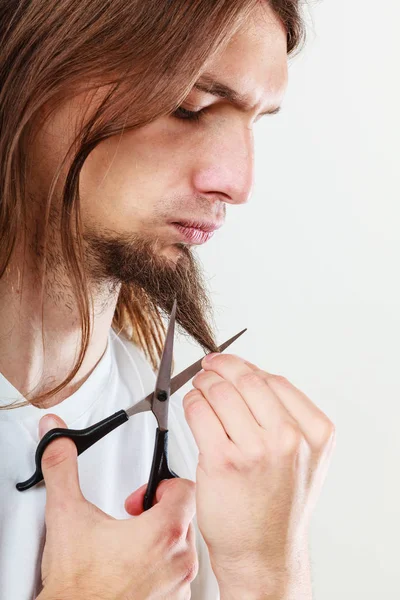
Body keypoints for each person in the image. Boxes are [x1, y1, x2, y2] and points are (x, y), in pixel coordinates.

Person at [0, 0, 336, 598]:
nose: (237, 183)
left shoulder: (213, 461)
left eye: (255, 122)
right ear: (33, 70)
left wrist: (267, 576)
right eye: (190, 106)